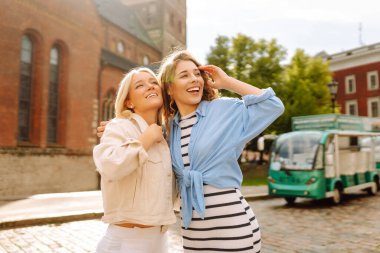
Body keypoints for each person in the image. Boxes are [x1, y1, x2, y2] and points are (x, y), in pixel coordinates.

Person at [158, 50, 284, 253]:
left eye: (197, 74)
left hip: (232, 228)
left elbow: (272, 105)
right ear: (169, 88)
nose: (194, 80)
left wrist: (228, 82)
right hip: (193, 232)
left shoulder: (223, 110)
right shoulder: (170, 128)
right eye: (184, 75)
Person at [93, 67, 177, 253]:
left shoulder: (168, 137)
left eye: (154, 82)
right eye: (140, 85)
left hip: (160, 240)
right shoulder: (119, 127)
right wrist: (146, 139)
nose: (149, 86)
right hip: (126, 242)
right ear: (129, 102)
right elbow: (110, 167)